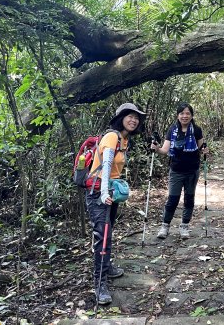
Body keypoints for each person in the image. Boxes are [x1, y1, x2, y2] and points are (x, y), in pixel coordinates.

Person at [86, 102, 145, 305]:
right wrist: (104, 193)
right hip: (98, 193)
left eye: (137, 118)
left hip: (108, 191)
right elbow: (107, 164)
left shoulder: (124, 139)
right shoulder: (112, 137)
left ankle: (107, 267)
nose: (134, 120)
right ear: (121, 118)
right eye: (130, 116)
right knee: (101, 237)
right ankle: (99, 285)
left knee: (108, 232)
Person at [150, 102, 207, 240]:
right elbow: (165, 150)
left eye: (188, 113)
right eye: (182, 113)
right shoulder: (172, 130)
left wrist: (205, 151)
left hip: (192, 170)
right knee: (173, 199)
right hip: (176, 170)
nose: (185, 116)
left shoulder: (197, 130)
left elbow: (202, 148)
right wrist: (156, 149)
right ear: (178, 115)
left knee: (189, 198)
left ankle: (184, 226)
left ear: (192, 115)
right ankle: (165, 226)